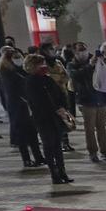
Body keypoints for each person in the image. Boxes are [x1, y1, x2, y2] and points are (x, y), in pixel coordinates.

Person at [24, 53, 75, 185]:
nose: (43, 66)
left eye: (43, 63)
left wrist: (63, 107)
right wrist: (54, 109)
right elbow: (36, 102)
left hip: (55, 117)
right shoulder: (30, 82)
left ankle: (62, 172)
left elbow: (60, 94)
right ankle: (54, 174)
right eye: (39, 64)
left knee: (57, 145)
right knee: (49, 144)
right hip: (43, 118)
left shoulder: (48, 79)